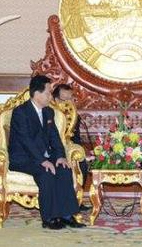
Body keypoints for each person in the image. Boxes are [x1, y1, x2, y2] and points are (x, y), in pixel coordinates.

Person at [8, 75, 86, 230]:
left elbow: (55, 138)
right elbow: (26, 141)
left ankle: (67, 216)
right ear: (37, 94)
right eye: (48, 93)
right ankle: (49, 218)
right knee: (46, 172)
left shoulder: (48, 112)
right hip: (23, 158)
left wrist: (60, 157)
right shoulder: (20, 112)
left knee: (63, 169)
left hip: (44, 156)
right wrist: (42, 161)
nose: (51, 96)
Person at [52, 84, 91, 212]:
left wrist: (80, 151)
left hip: (70, 150)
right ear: (56, 100)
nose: (68, 103)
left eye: (71, 99)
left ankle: (76, 200)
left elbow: (76, 139)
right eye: (65, 100)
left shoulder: (74, 117)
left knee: (82, 164)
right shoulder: (49, 113)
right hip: (52, 149)